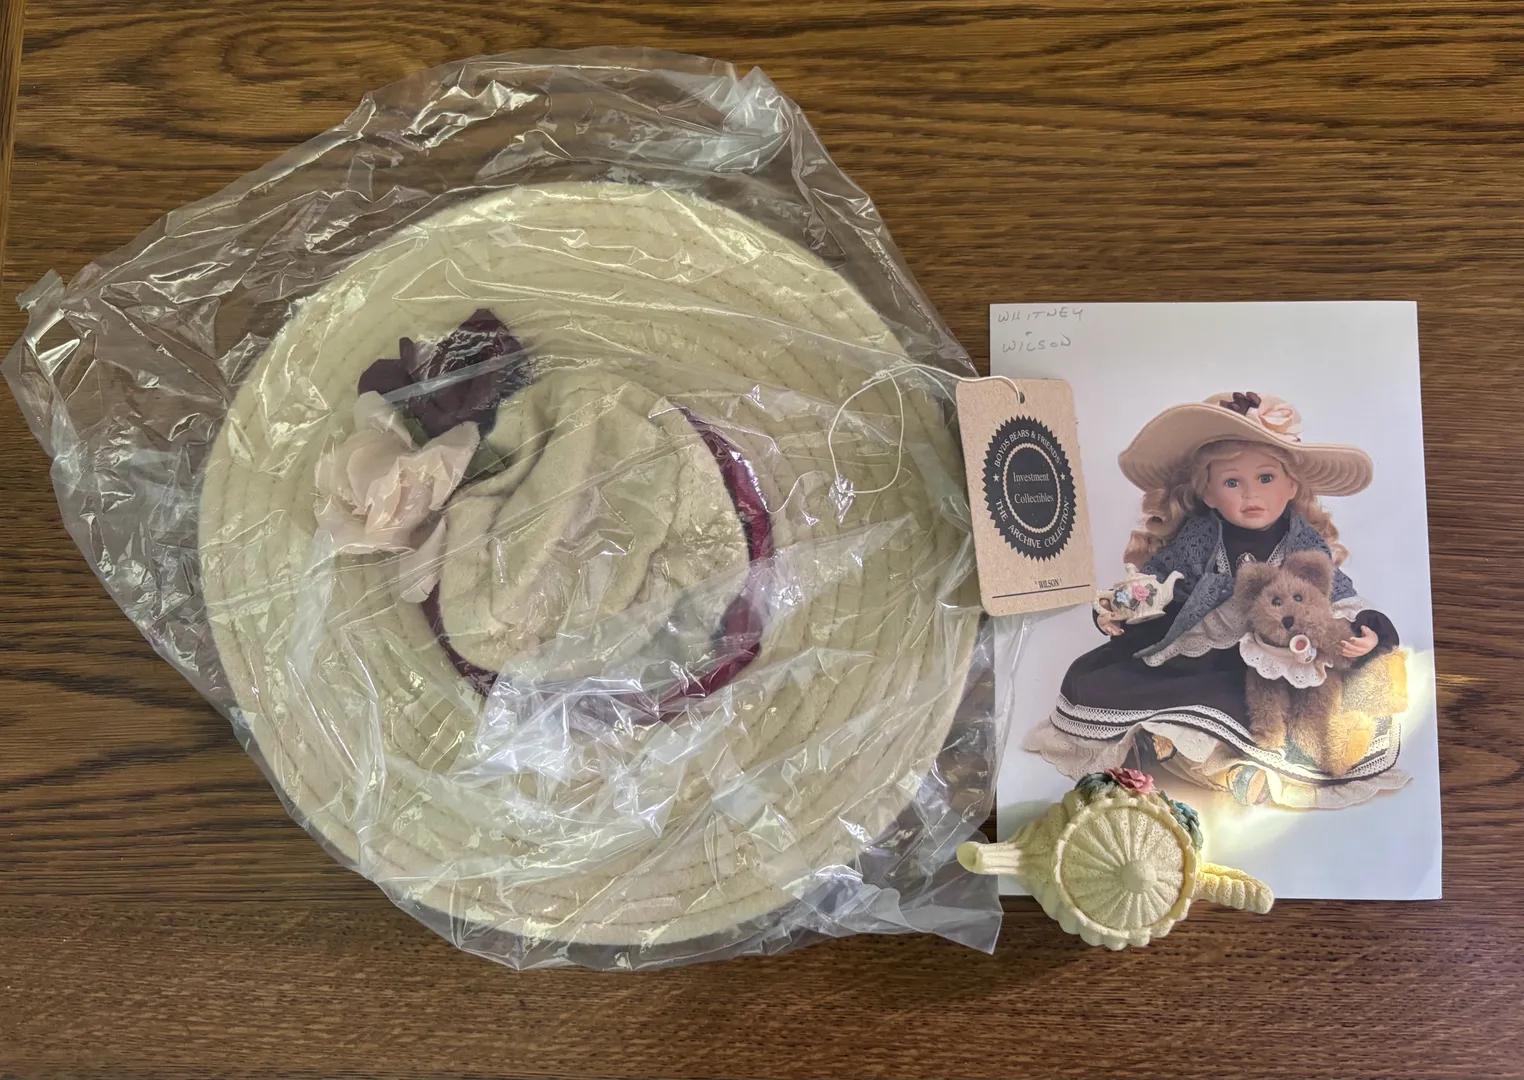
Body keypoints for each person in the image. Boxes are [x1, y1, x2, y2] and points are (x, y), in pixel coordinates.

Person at [1025, 391, 1408, 808]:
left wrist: (1368, 630)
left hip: (1271, 662)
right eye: (1232, 483)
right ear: (1208, 493)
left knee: (1285, 706)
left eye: (1265, 478)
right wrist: (1120, 609)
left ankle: (1230, 766)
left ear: (1291, 486)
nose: (1250, 495)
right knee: (1097, 682)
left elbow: (1338, 594)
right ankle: (1177, 749)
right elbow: (1157, 581)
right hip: (1204, 654)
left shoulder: (1302, 541)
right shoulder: (1201, 535)